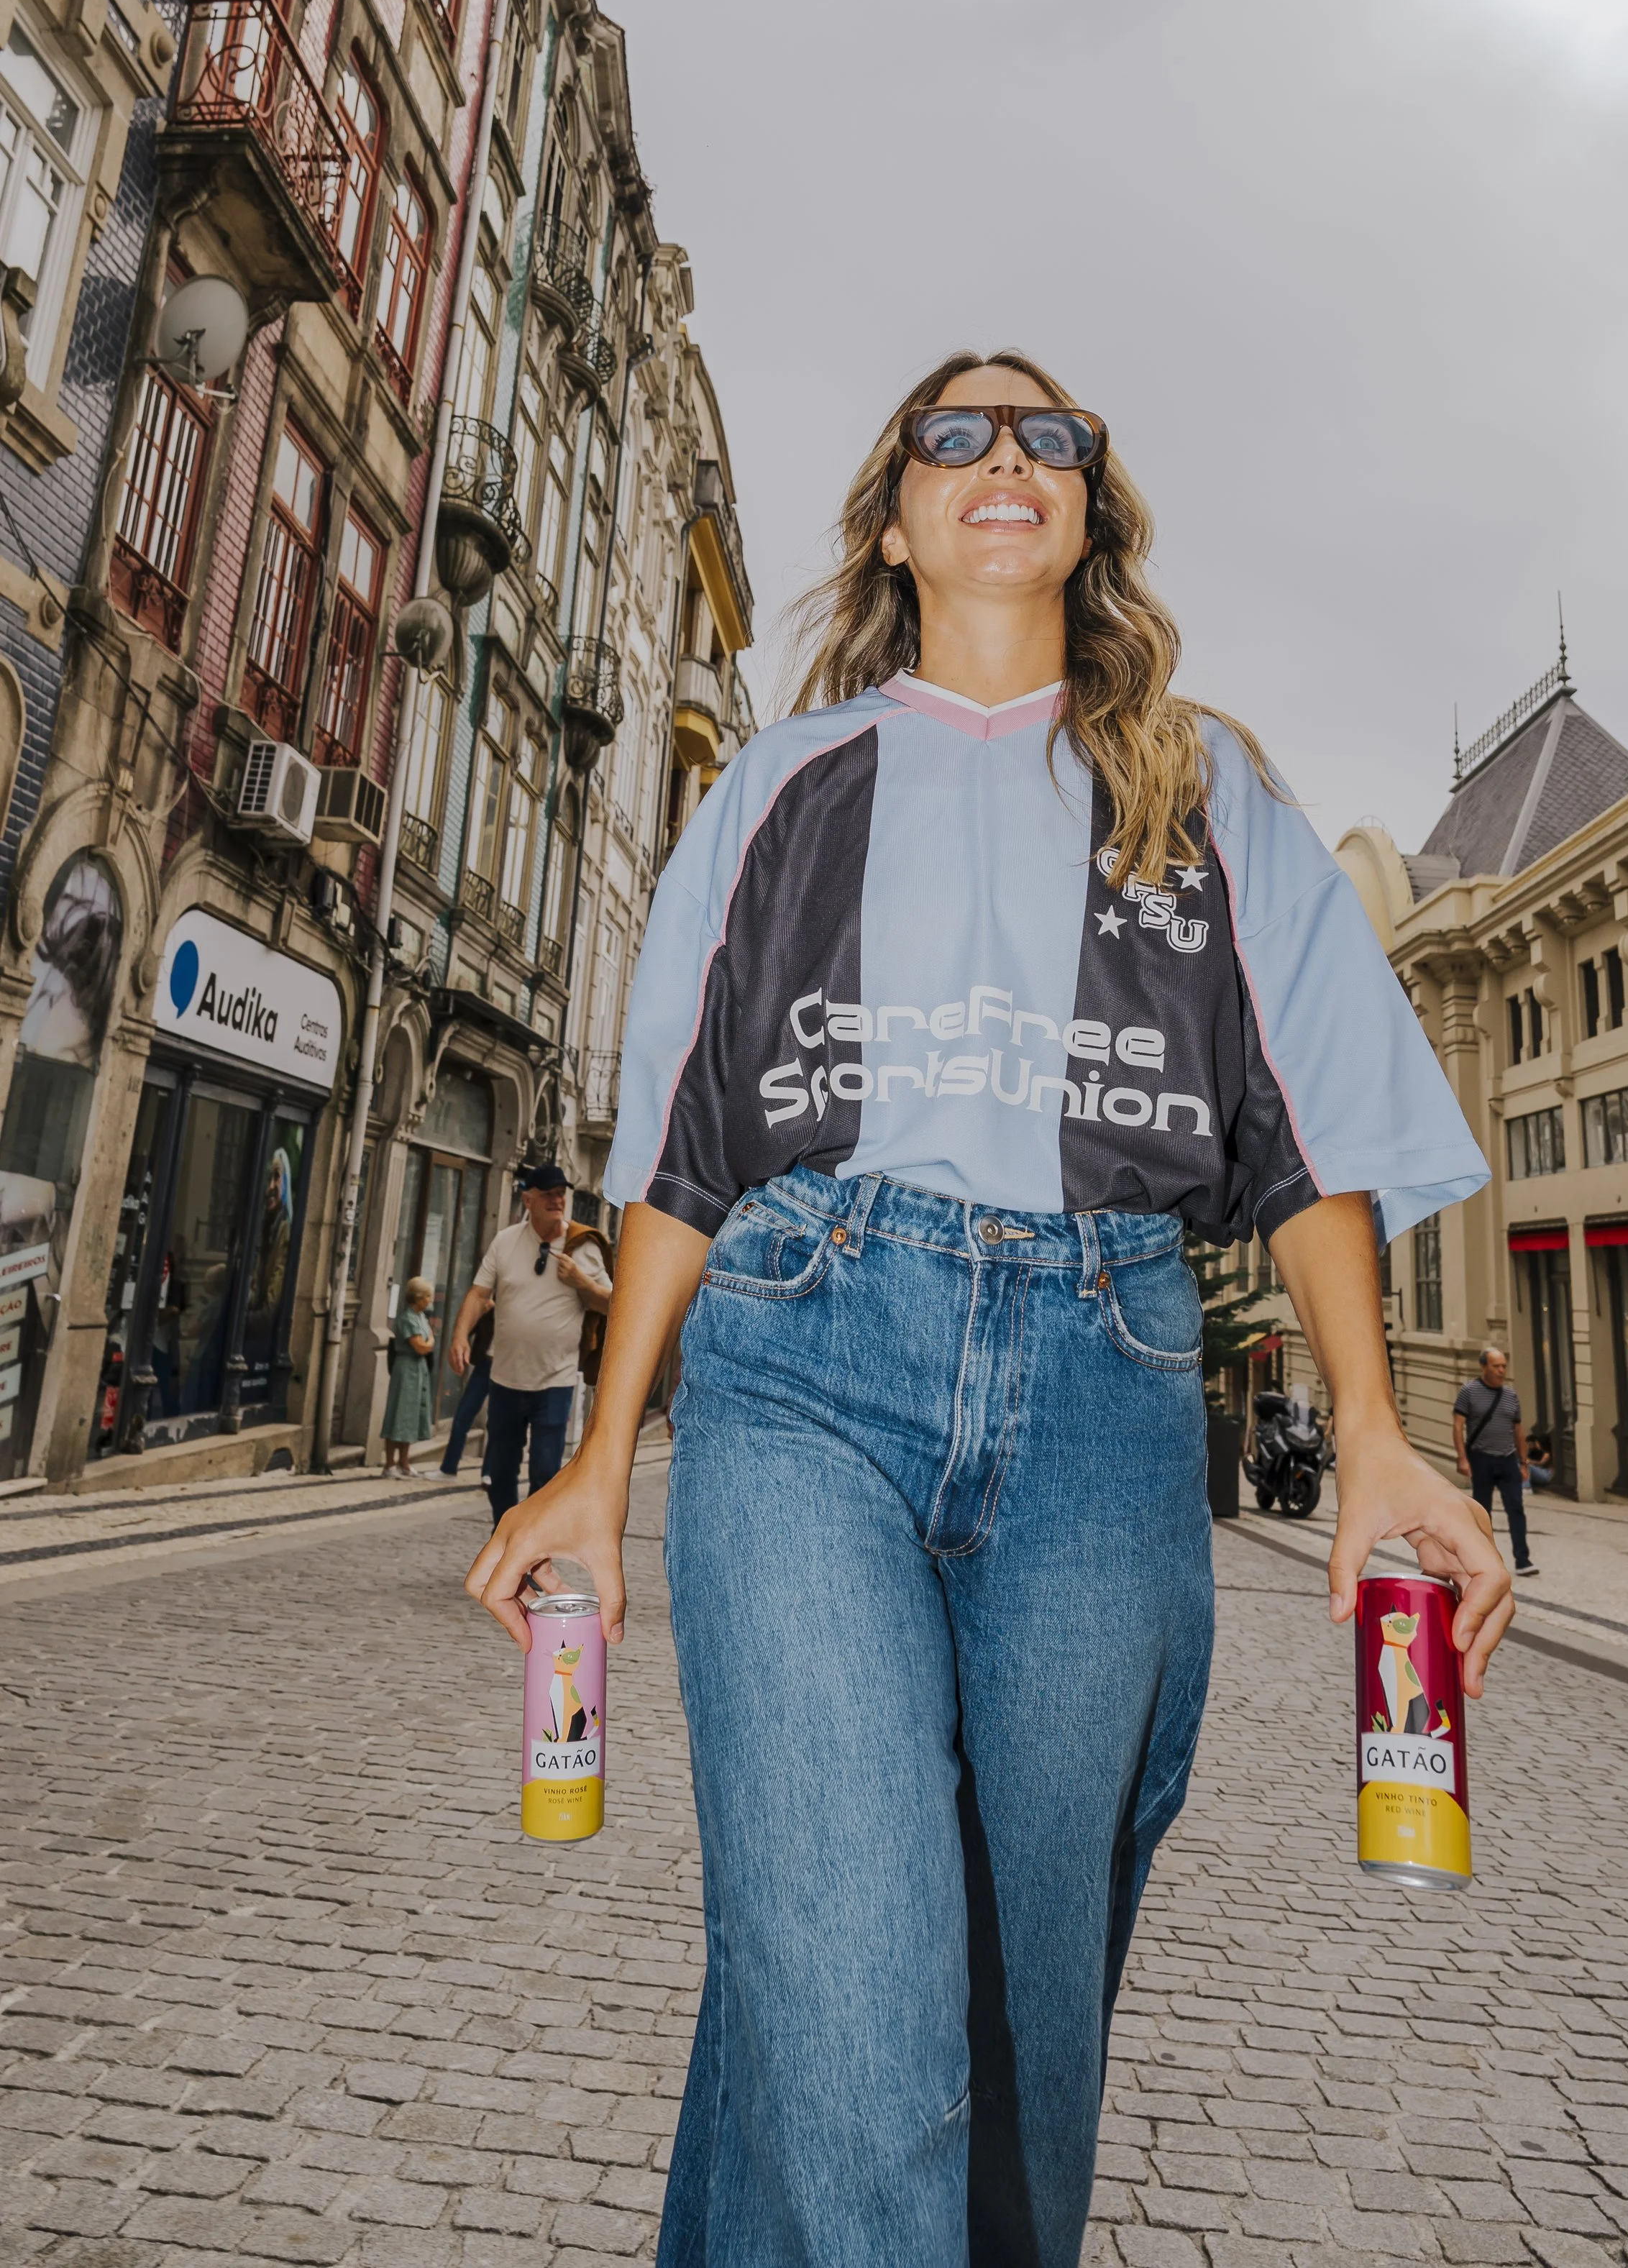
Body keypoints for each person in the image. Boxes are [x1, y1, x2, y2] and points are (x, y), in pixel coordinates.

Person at [467, 352, 1515, 2268]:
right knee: (855, 1985)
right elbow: (682, 1143)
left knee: (1014, 2032)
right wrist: (599, 1462)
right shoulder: (782, 784)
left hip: (1104, 1383)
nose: (1004, 456)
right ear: (897, 513)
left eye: (1052, 434)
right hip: (805, 1370)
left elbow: (1307, 1139)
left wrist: (1373, 1432)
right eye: (954, 433)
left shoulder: (1202, 782)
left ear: (1090, 509)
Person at [449, 1163, 610, 1527]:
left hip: (555, 1380)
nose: (557, 1200)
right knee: (501, 1475)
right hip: (505, 1377)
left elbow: (612, 1304)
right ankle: (504, 1544)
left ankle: (533, 1556)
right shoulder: (506, 1241)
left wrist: (582, 1282)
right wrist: (460, 1335)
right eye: (549, 1193)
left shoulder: (582, 1247)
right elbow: (478, 1293)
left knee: (544, 1474)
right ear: (528, 1199)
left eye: (561, 1193)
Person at [1454, 1345, 1538, 1576]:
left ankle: (1523, 1560)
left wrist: (1523, 1462)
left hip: (1508, 1459)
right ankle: (1484, 1560)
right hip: (1481, 1459)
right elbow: (1458, 1426)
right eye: (1496, 1366)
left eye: (1503, 1366)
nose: (1501, 1371)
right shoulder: (1469, 1391)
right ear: (1484, 1367)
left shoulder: (1511, 1395)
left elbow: (1518, 1431)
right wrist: (1463, 1459)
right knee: (1482, 1511)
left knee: (1516, 1508)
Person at [382, 1276, 435, 1476]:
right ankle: (389, 1464)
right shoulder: (406, 1319)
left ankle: (404, 1462)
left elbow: (429, 1341)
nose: (430, 1300)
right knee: (399, 1414)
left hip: (419, 1370)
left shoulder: (421, 1317)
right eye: (427, 1296)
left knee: (412, 1416)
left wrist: (428, 1343)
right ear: (418, 1297)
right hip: (406, 1370)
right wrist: (428, 1343)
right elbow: (422, 1346)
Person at [436, 1306, 492, 1480]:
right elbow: (468, 1328)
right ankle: (448, 1468)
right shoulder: (489, 1309)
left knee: (498, 1423)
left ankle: (489, 1473)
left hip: (507, 1369)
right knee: (462, 1416)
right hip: (484, 1365)